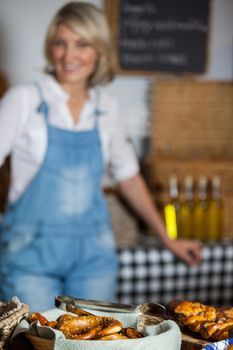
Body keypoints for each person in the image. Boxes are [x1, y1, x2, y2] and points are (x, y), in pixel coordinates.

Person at [0, 1, 202, 311]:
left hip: (93, 258)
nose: (69, 56)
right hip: (30, 256)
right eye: (60, 43)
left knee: (96, 342)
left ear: (98, 51)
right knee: (32, 342)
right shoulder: (24, 100)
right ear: (49, 47)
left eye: (81, 44)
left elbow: (129, 179)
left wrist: (167, 238)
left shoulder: (106, 107)